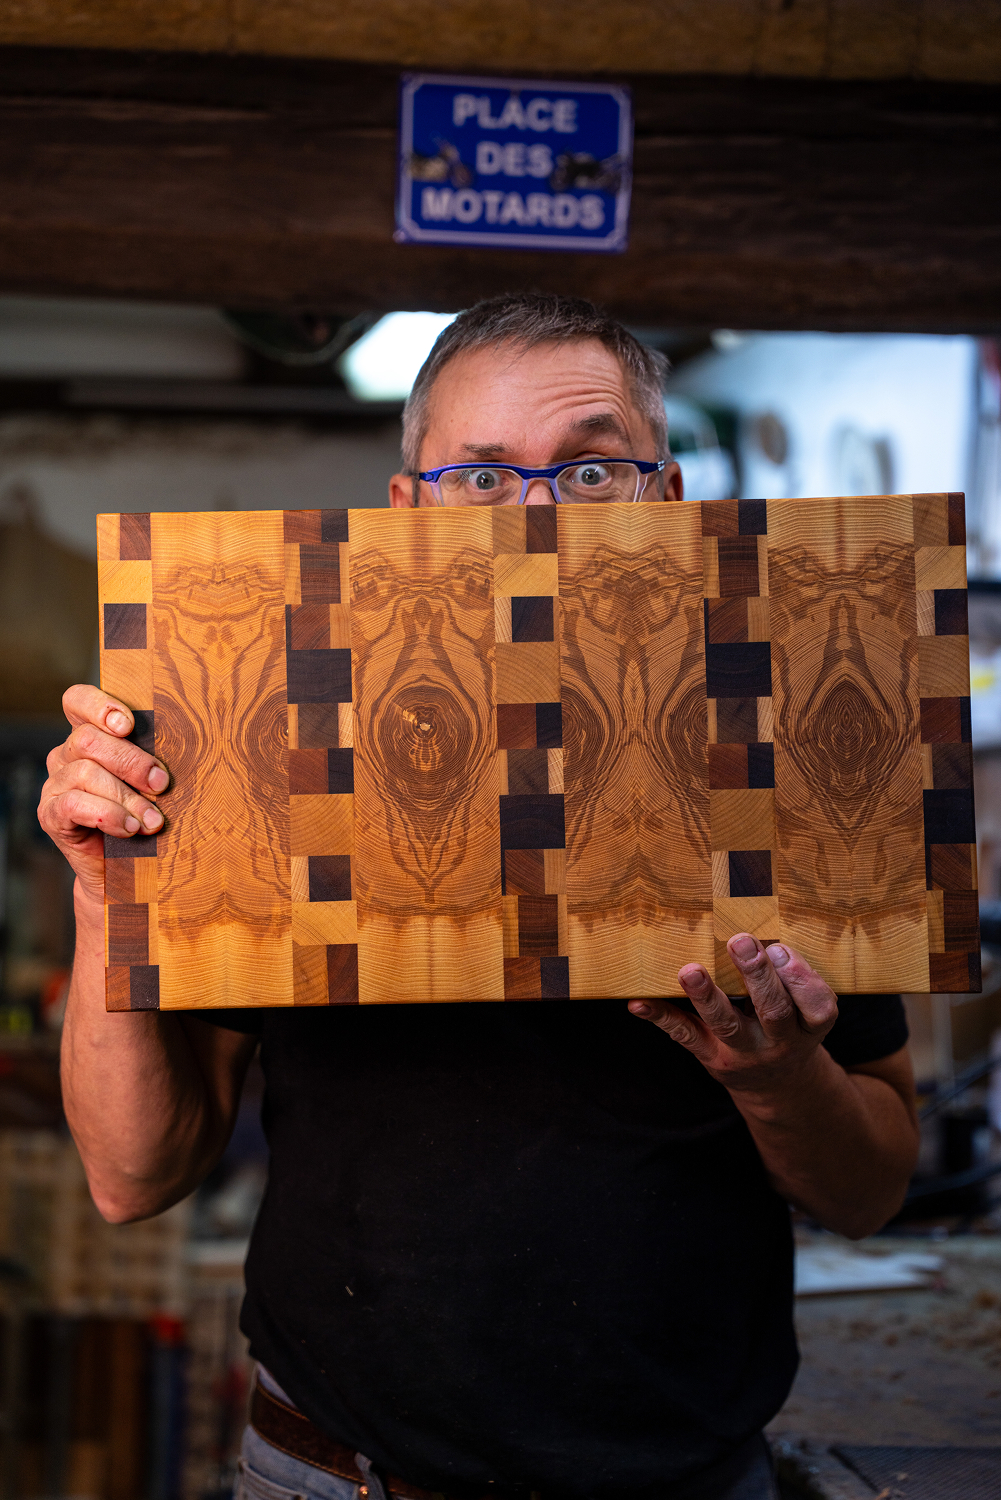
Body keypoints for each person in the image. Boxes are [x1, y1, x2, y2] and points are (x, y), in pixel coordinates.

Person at [39, 295, 920, 1500]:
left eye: (592, 468)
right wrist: (105, 892)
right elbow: (134, 1175)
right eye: (483, 478)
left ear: (662, 495)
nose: (539, 516)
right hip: (335, 1476)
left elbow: (869, 1190)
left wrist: (774, 1077)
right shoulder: (275, 729)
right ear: (409, 511)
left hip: (681, 1478)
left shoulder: (786, 736)